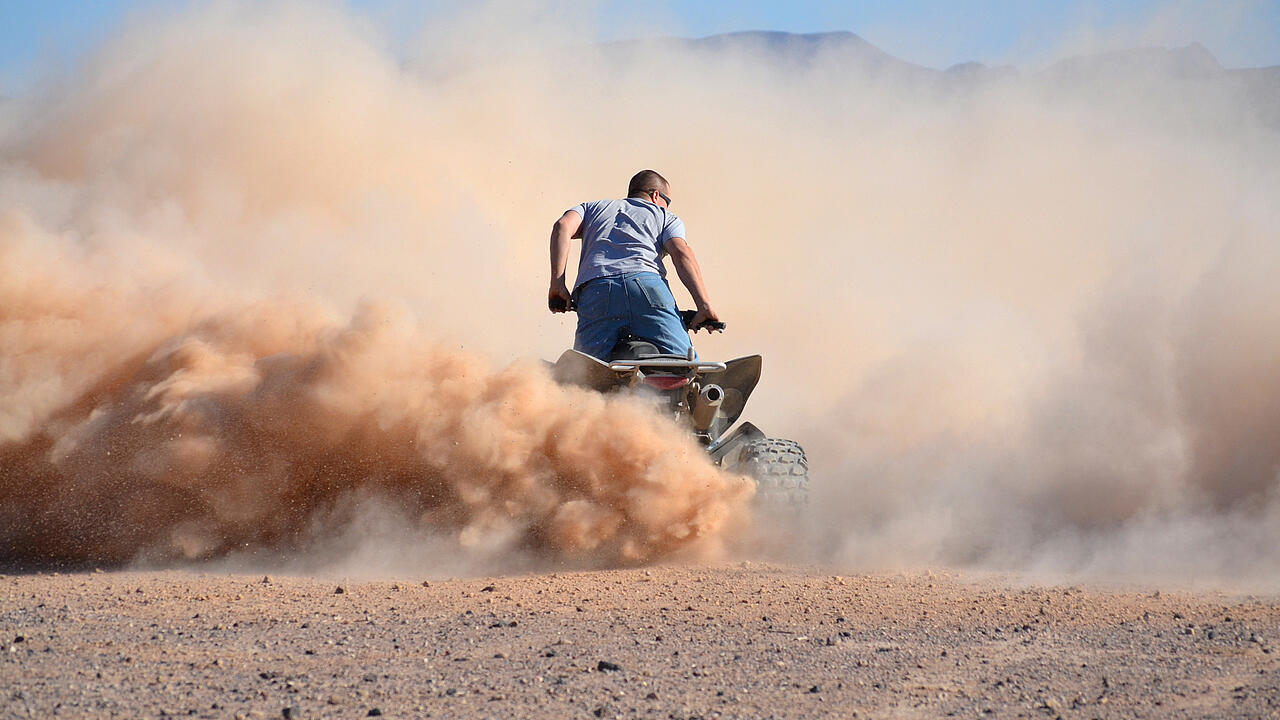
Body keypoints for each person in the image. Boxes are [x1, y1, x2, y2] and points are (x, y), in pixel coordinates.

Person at [548, 170, 722, 361]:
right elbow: (681, 253)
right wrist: (704, 306)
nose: (667, 207)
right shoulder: (665, 216)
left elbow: (562, 226)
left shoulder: (592, 208)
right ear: (656, 195)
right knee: (684, 366)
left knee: (584, 373)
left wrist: (557, 284)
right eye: (668, 202)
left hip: (597, 291)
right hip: (646, 287)